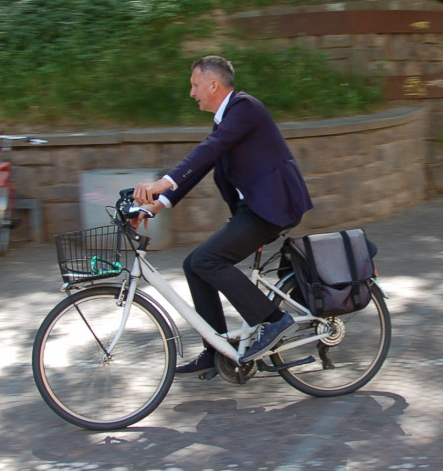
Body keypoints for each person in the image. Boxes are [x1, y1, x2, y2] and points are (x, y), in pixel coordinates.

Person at [132, 56, 314, 374]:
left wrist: (162, 182)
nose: (191, 93)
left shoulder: (245, 108)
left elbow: (210, 149)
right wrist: (161, 202)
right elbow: (204, 162)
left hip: (272, 207)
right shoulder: (227, 118)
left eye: (194, 85)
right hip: (256, 208)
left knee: (206, 260)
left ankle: (275, 320)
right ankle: (217, 351)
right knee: (194, 265)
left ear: (213, 84)